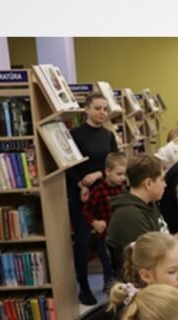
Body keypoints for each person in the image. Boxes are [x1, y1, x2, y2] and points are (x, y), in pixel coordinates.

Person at [68, 93, 120, 305]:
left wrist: (99, 174)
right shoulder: (75, 134)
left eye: (105, 109)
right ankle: (84, 287)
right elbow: (68, 164)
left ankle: (111, 286)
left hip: (104, 194)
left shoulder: (108, 135)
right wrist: (81, 184)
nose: (102, 112)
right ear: (86, 109)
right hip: (81, 194)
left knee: (106, 240)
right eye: (98, 108)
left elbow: (116, 162)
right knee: (82, 241)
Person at [107, 154, 168, 280]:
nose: (165, 185)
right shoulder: (130, 217)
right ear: (148, 183)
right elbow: (147, 265)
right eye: (162, 180)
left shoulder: (149, 204)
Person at [80, 152, 126, 290]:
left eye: (124, 174)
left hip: (121, 234)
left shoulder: (123, 187)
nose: (122, 178)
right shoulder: (98, 191)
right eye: (119, 174)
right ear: (107, 171)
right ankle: (109, 292)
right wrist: (95, 222)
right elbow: (86, 211)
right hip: (104, 236)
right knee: (108, 267)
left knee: (122, 265)